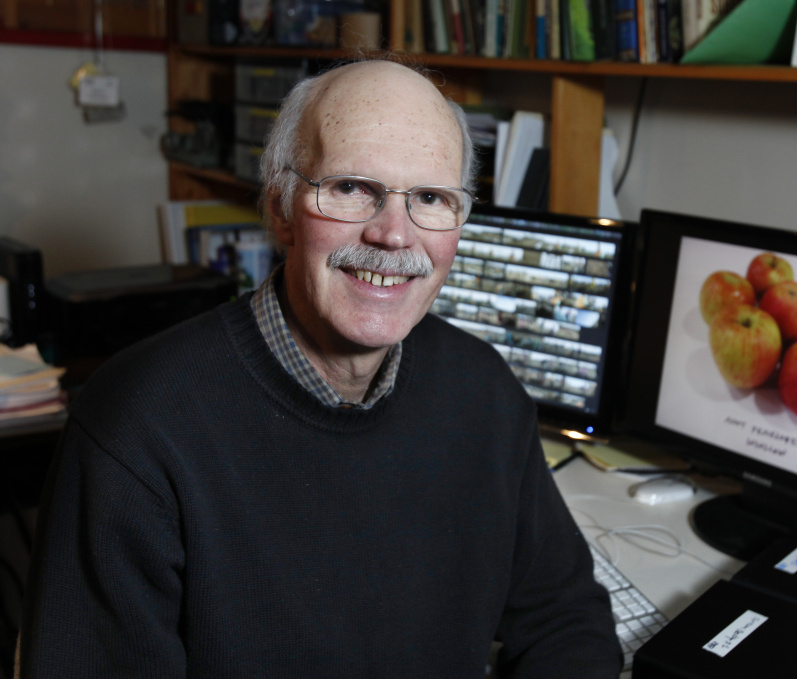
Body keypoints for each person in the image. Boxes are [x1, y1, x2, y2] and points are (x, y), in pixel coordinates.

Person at [16, 57, 621, 678]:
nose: (394, 235)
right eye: (352, 188)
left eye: (432, 197)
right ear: (281, 207)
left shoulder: (484, 390)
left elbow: (566, 620)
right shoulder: (136, 428)